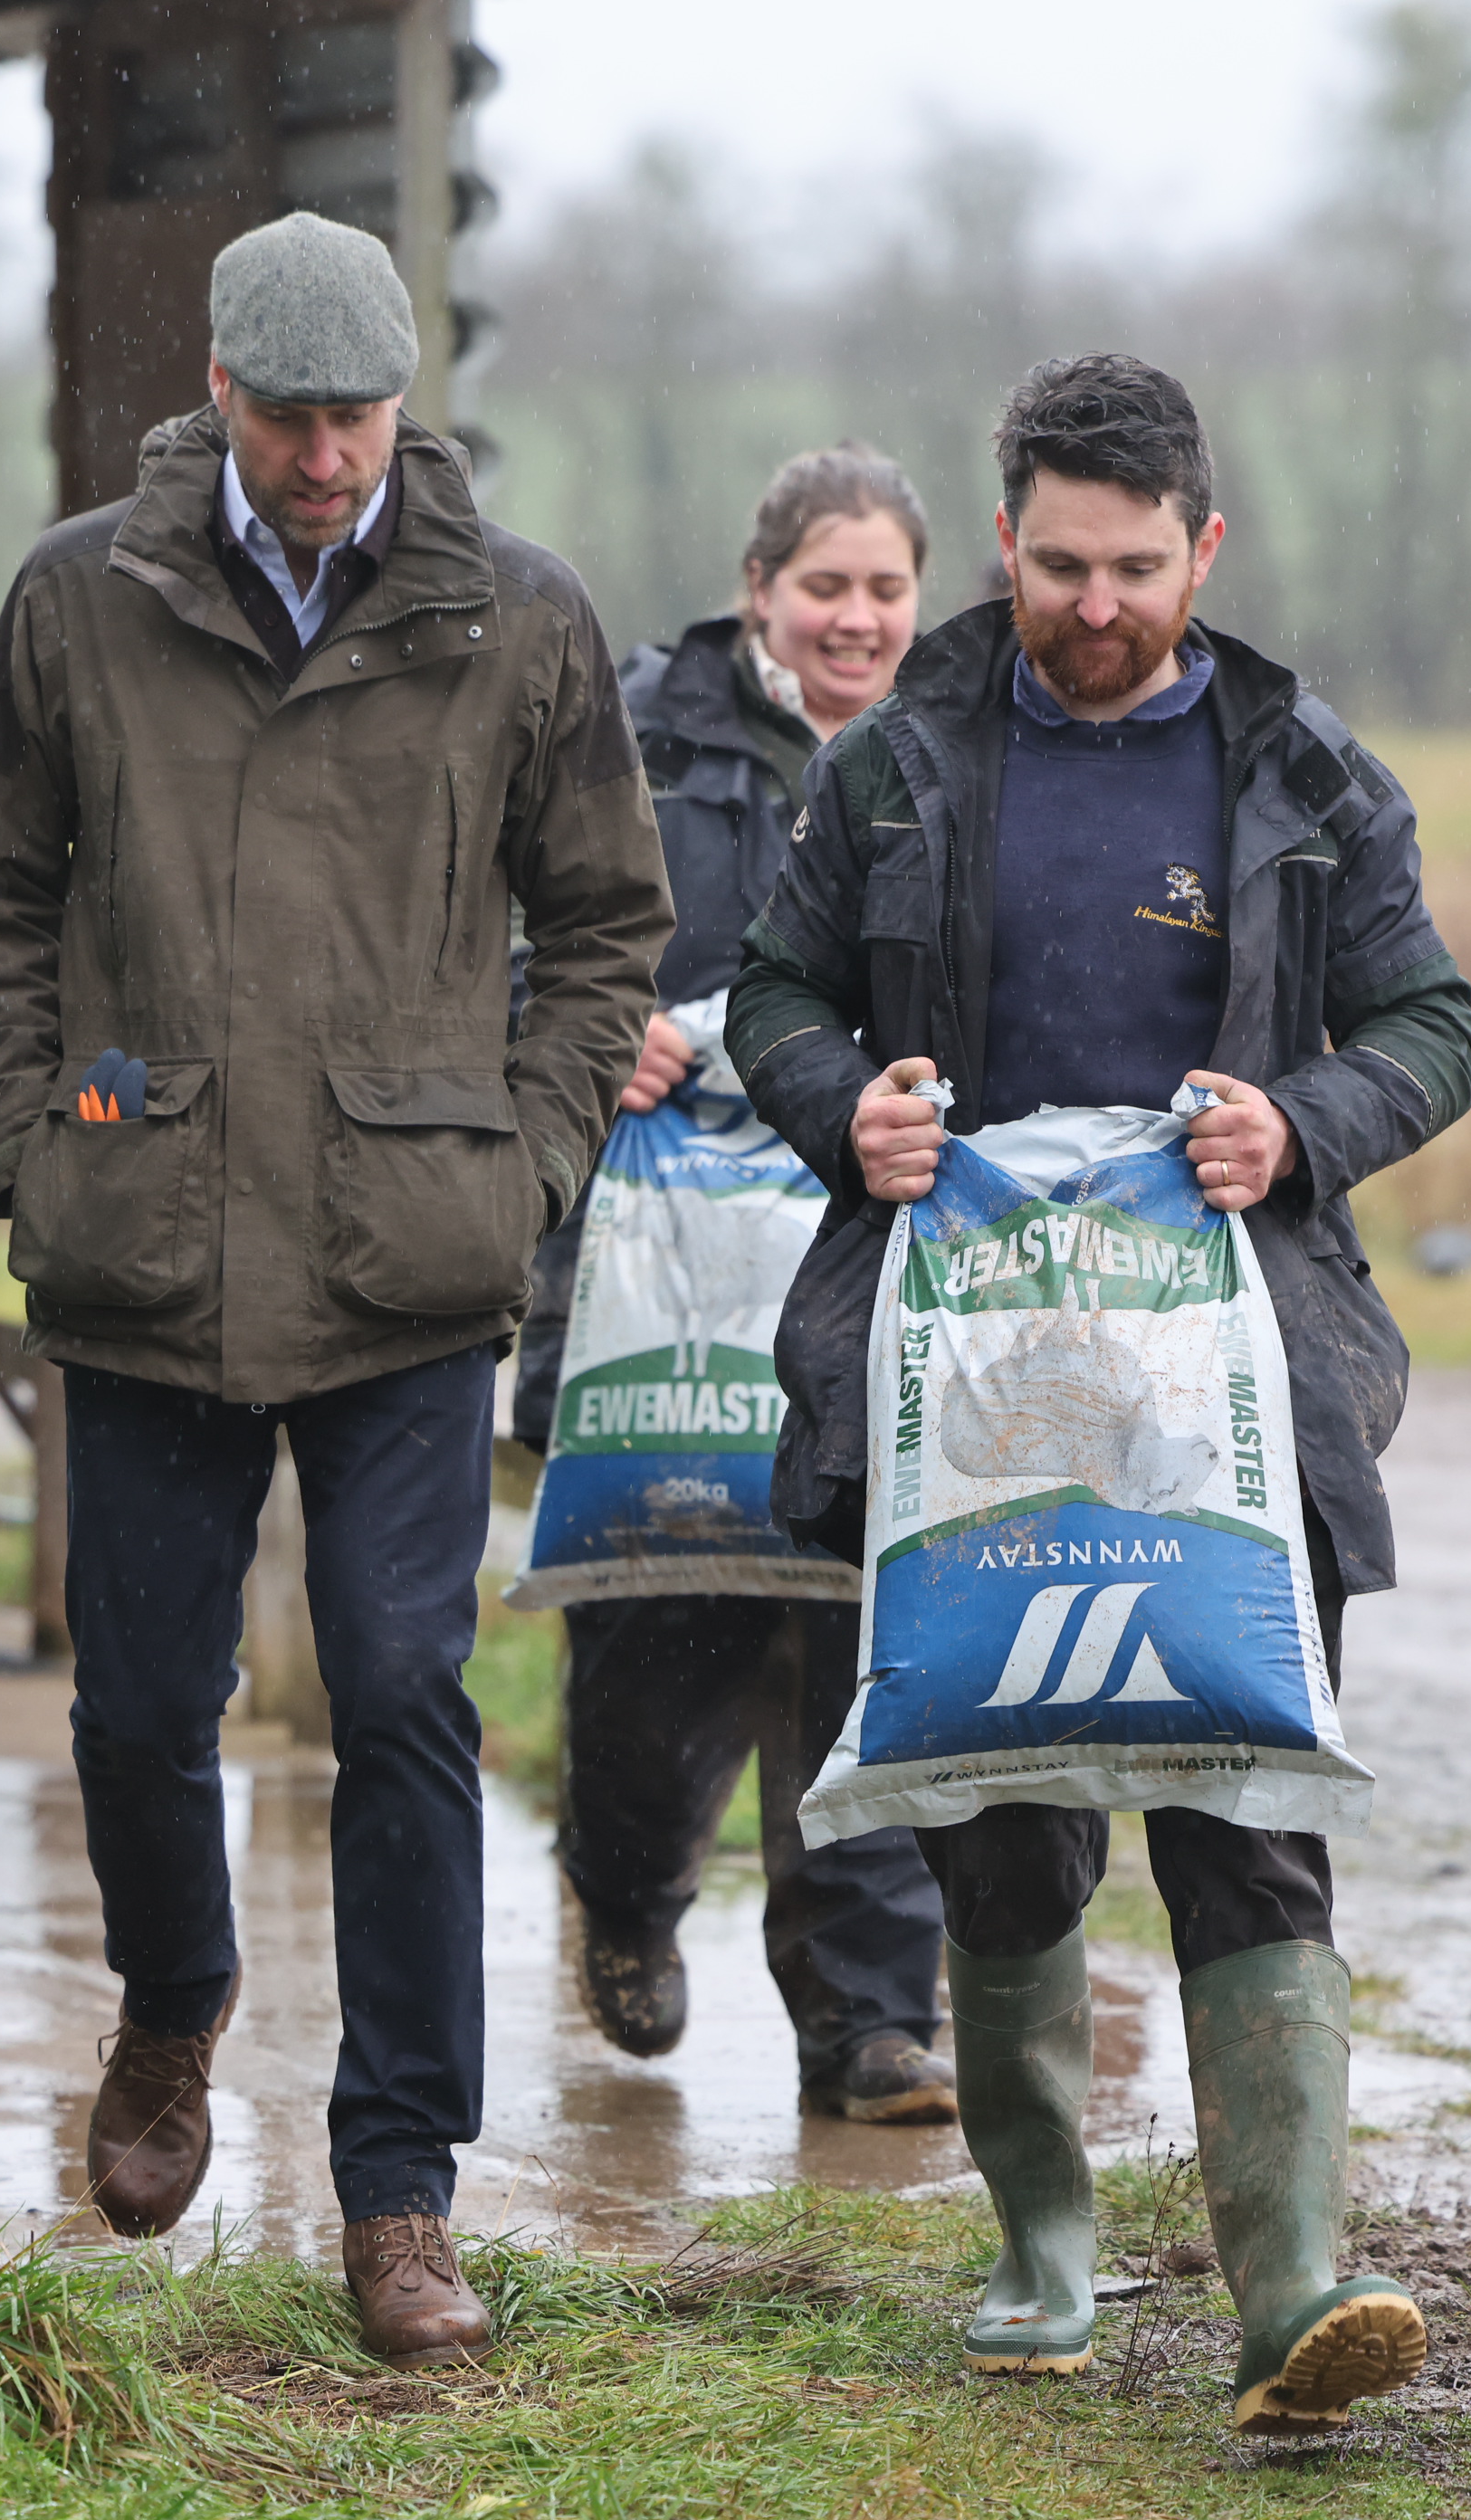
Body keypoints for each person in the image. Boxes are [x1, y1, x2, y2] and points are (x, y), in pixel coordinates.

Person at [0, 213, 672, 2367]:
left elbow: (605, 923)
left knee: (402, 1698)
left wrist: (525, 1158)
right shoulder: (85, 598)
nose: (334, 453)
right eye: (297, 413)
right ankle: (172, 2002)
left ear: (401, 399)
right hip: (143, 1237)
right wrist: (26, 1135)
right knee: (142, 1705)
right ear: (223, 393)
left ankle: (399, 2187)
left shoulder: (511, 618)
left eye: (366, 414)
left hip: (406, 1256)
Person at [726, 355, 1471, 2431]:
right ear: (1003, 538)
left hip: (1240, 1372)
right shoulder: (895, 768)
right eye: (1056, 563)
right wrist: (837, 1102)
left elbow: (1432, 1021)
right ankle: (1041, 2238)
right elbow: (782, 994)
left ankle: (1290, 2286)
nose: (1091, 603)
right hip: (961, 1357)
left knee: (1247, 1806)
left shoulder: (1304, 768)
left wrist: (1304, 1124)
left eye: (1133, 569)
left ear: (1202, 549)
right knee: (999, 1814)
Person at [511, 445, 956, 2125]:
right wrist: (570, 1014)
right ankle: (623, 1884)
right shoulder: (630, 729)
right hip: (656, 1273)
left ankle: (870, 2016)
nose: (855, 618)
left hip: (873, 1252)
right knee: (665, 1634)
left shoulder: (953, 753)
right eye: (824, 585)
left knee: (868, 1622)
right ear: (758, 586)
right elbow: (502, 908)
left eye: (884, 590)